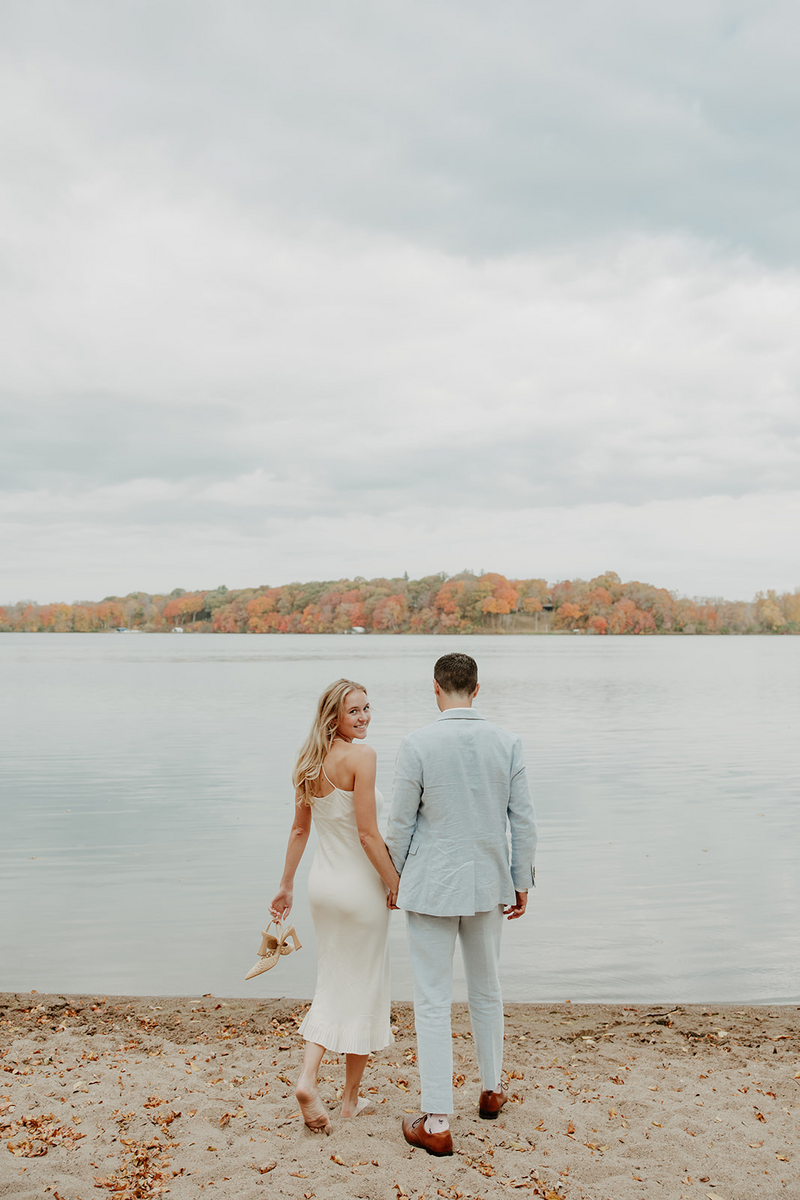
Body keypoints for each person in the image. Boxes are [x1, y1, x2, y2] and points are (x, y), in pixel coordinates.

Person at [385, 652, 537, 1157]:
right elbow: (524, 822)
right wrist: (520, 881)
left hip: (431, 886)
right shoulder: (507, 742)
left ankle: (436, 1119)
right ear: (477, 688)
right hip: (487, 882)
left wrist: (393, 879)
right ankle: (491, 1090)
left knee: (431, 998)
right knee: (486, 989)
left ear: (435, 688)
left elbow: (401, 825)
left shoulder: (417, 744)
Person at [269, 678, 400, 1135]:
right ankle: (343, 1100)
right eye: (355, 711)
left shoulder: (308, 762)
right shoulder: (362, 756)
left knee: (332, 983)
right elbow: (368, 834)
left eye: (367, 708)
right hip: (360, 890)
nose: (364, 717)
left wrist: (285, 885)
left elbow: (299, 831)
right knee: (363, 988)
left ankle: (313, 1082)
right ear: (334, 718)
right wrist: (395, 884)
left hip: (322, 887)